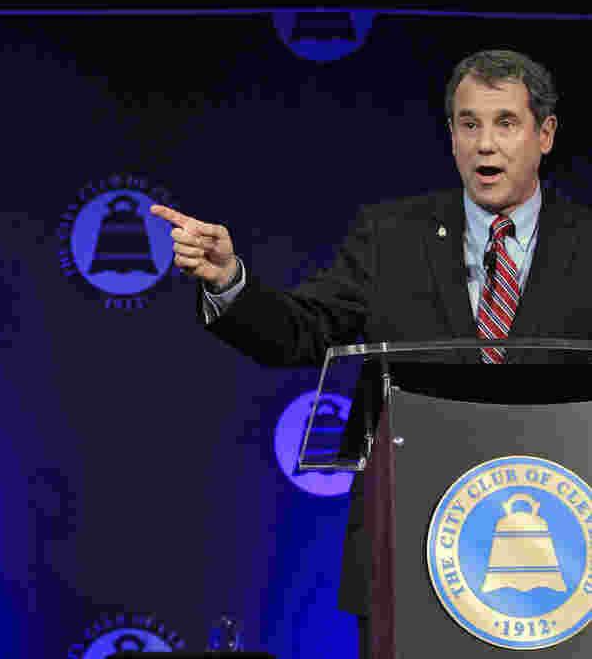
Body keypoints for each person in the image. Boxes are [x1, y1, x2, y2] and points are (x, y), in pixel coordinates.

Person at [151, 49, 592, 656]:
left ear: (544, 135)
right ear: (452, 136)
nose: (485, 144)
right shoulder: (390, 238)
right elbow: (303, 330)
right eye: (469, 124)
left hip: (566, 558)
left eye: (506, 123)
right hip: (409, 547)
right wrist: (230, 280)